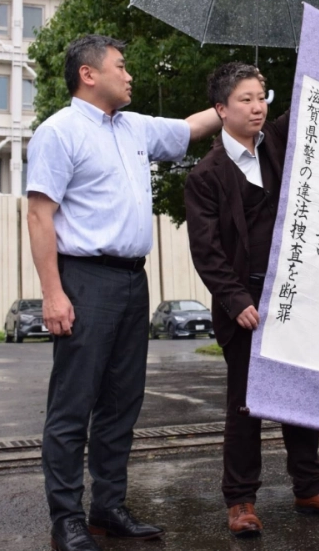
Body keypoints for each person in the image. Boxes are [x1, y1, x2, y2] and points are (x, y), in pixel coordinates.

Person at [26, 34, 221, 551]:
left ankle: (107, 507)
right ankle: (65, 516)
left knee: (122, 403)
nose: (130, 74)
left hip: (134, 280)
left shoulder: (134, 128)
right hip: (84, 279)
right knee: (73, 404)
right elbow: (39, 215)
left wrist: (237, 101)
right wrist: (52, 294)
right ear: (89, 74)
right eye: (122, 65)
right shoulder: (59, 133)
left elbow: (194, 127)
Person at [184, 61, 319, 538]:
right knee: (245, 406)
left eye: (261, 97)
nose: (258, 106)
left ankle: (311, 488)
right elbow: (207, 251)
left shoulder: (279, 144)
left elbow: (317, 99)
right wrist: (234, 298)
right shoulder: (206, 175)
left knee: (299, 391)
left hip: (295, 296)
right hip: (248, 305)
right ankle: (241, 502)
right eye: (245, 99)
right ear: (221, 109)